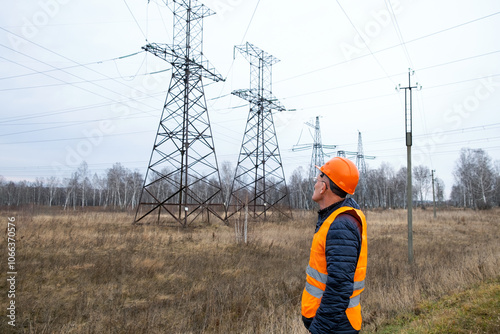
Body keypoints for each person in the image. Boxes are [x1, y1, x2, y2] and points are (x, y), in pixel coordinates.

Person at [301, 157, 368, 334]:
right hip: (335, 323)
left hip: (336, 326)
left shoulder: (341, 224)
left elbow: (339, 287)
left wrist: (319, 329)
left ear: (324, 187)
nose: (315, 184)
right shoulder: (336, 217)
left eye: (317, 179)